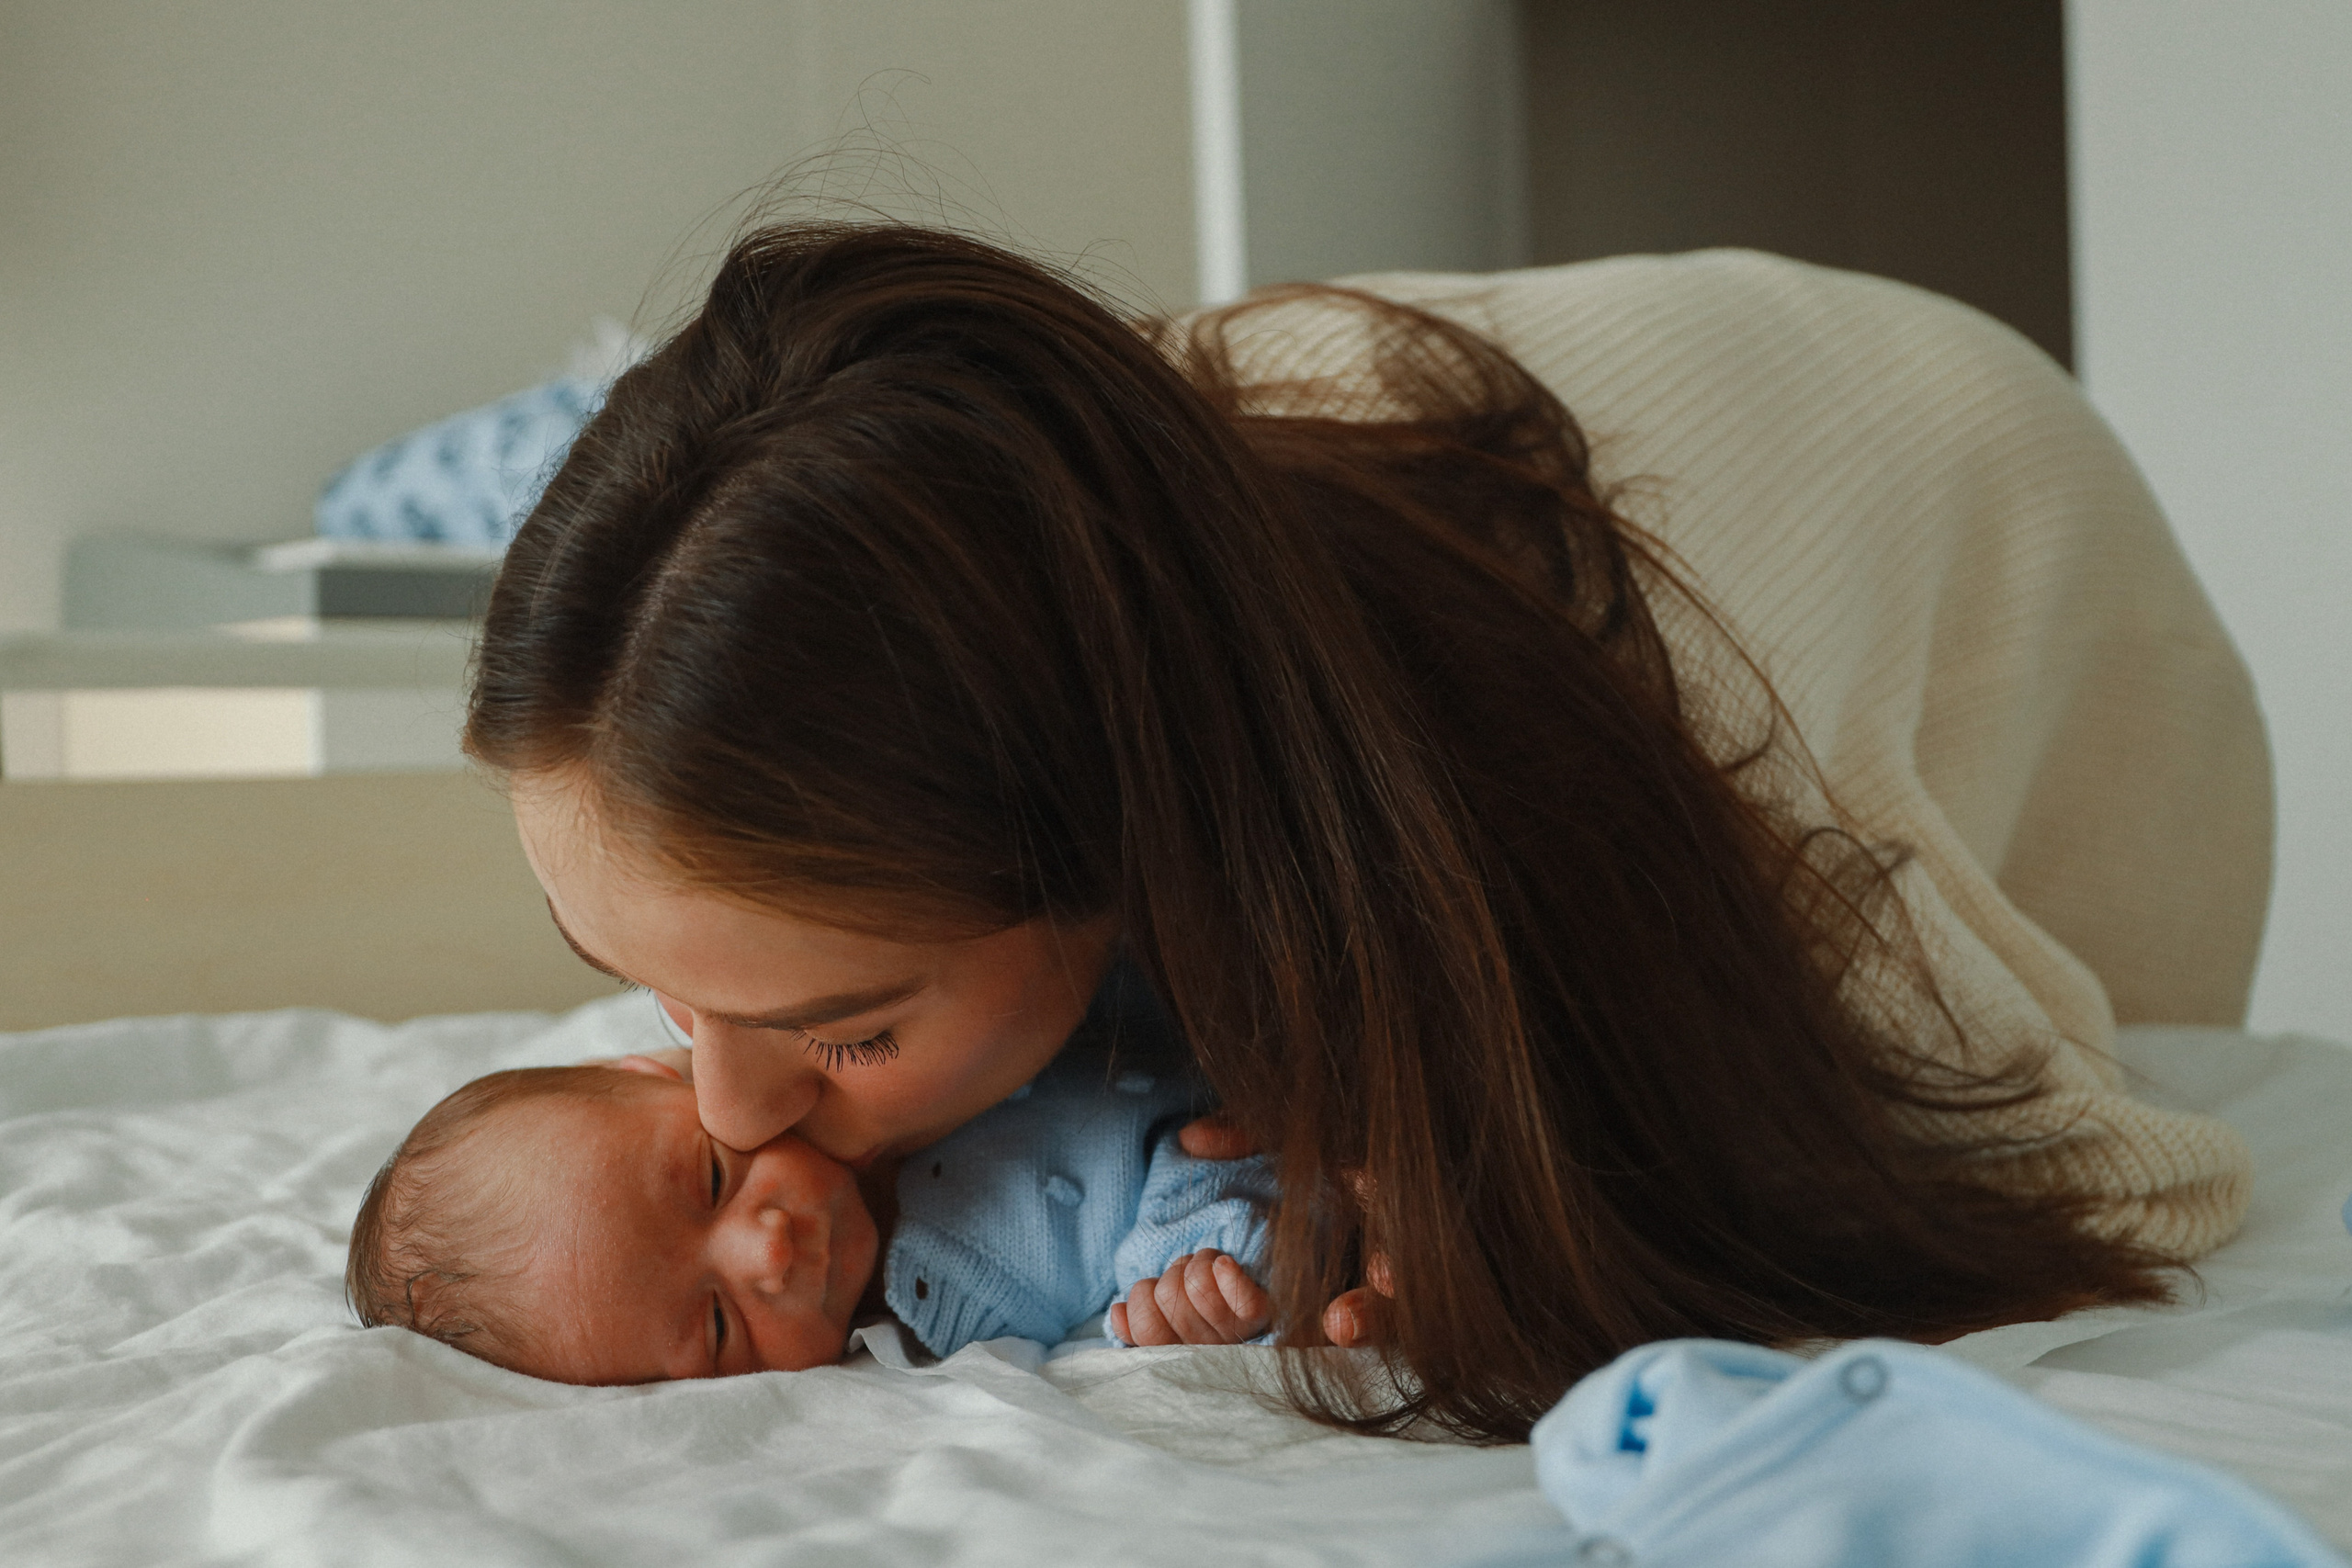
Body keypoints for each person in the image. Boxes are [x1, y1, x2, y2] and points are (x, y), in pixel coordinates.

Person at [463, 220, 2267, 1441]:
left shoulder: (1688, 774)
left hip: (2004, 530)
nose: (721, 1113)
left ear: (1131, 846)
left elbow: (2101, 1167)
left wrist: (1482, 1167)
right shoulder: (1013, 534)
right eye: (658, 995)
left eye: (845, 1027)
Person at [344, 974, 1281, 1380]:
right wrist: (1193, 1278)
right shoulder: (969, 1292)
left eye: (710, 1181)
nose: (768, 1248)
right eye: (717, 1323)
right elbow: (1139, 1266)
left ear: (651, 1078)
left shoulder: (771, 1032)